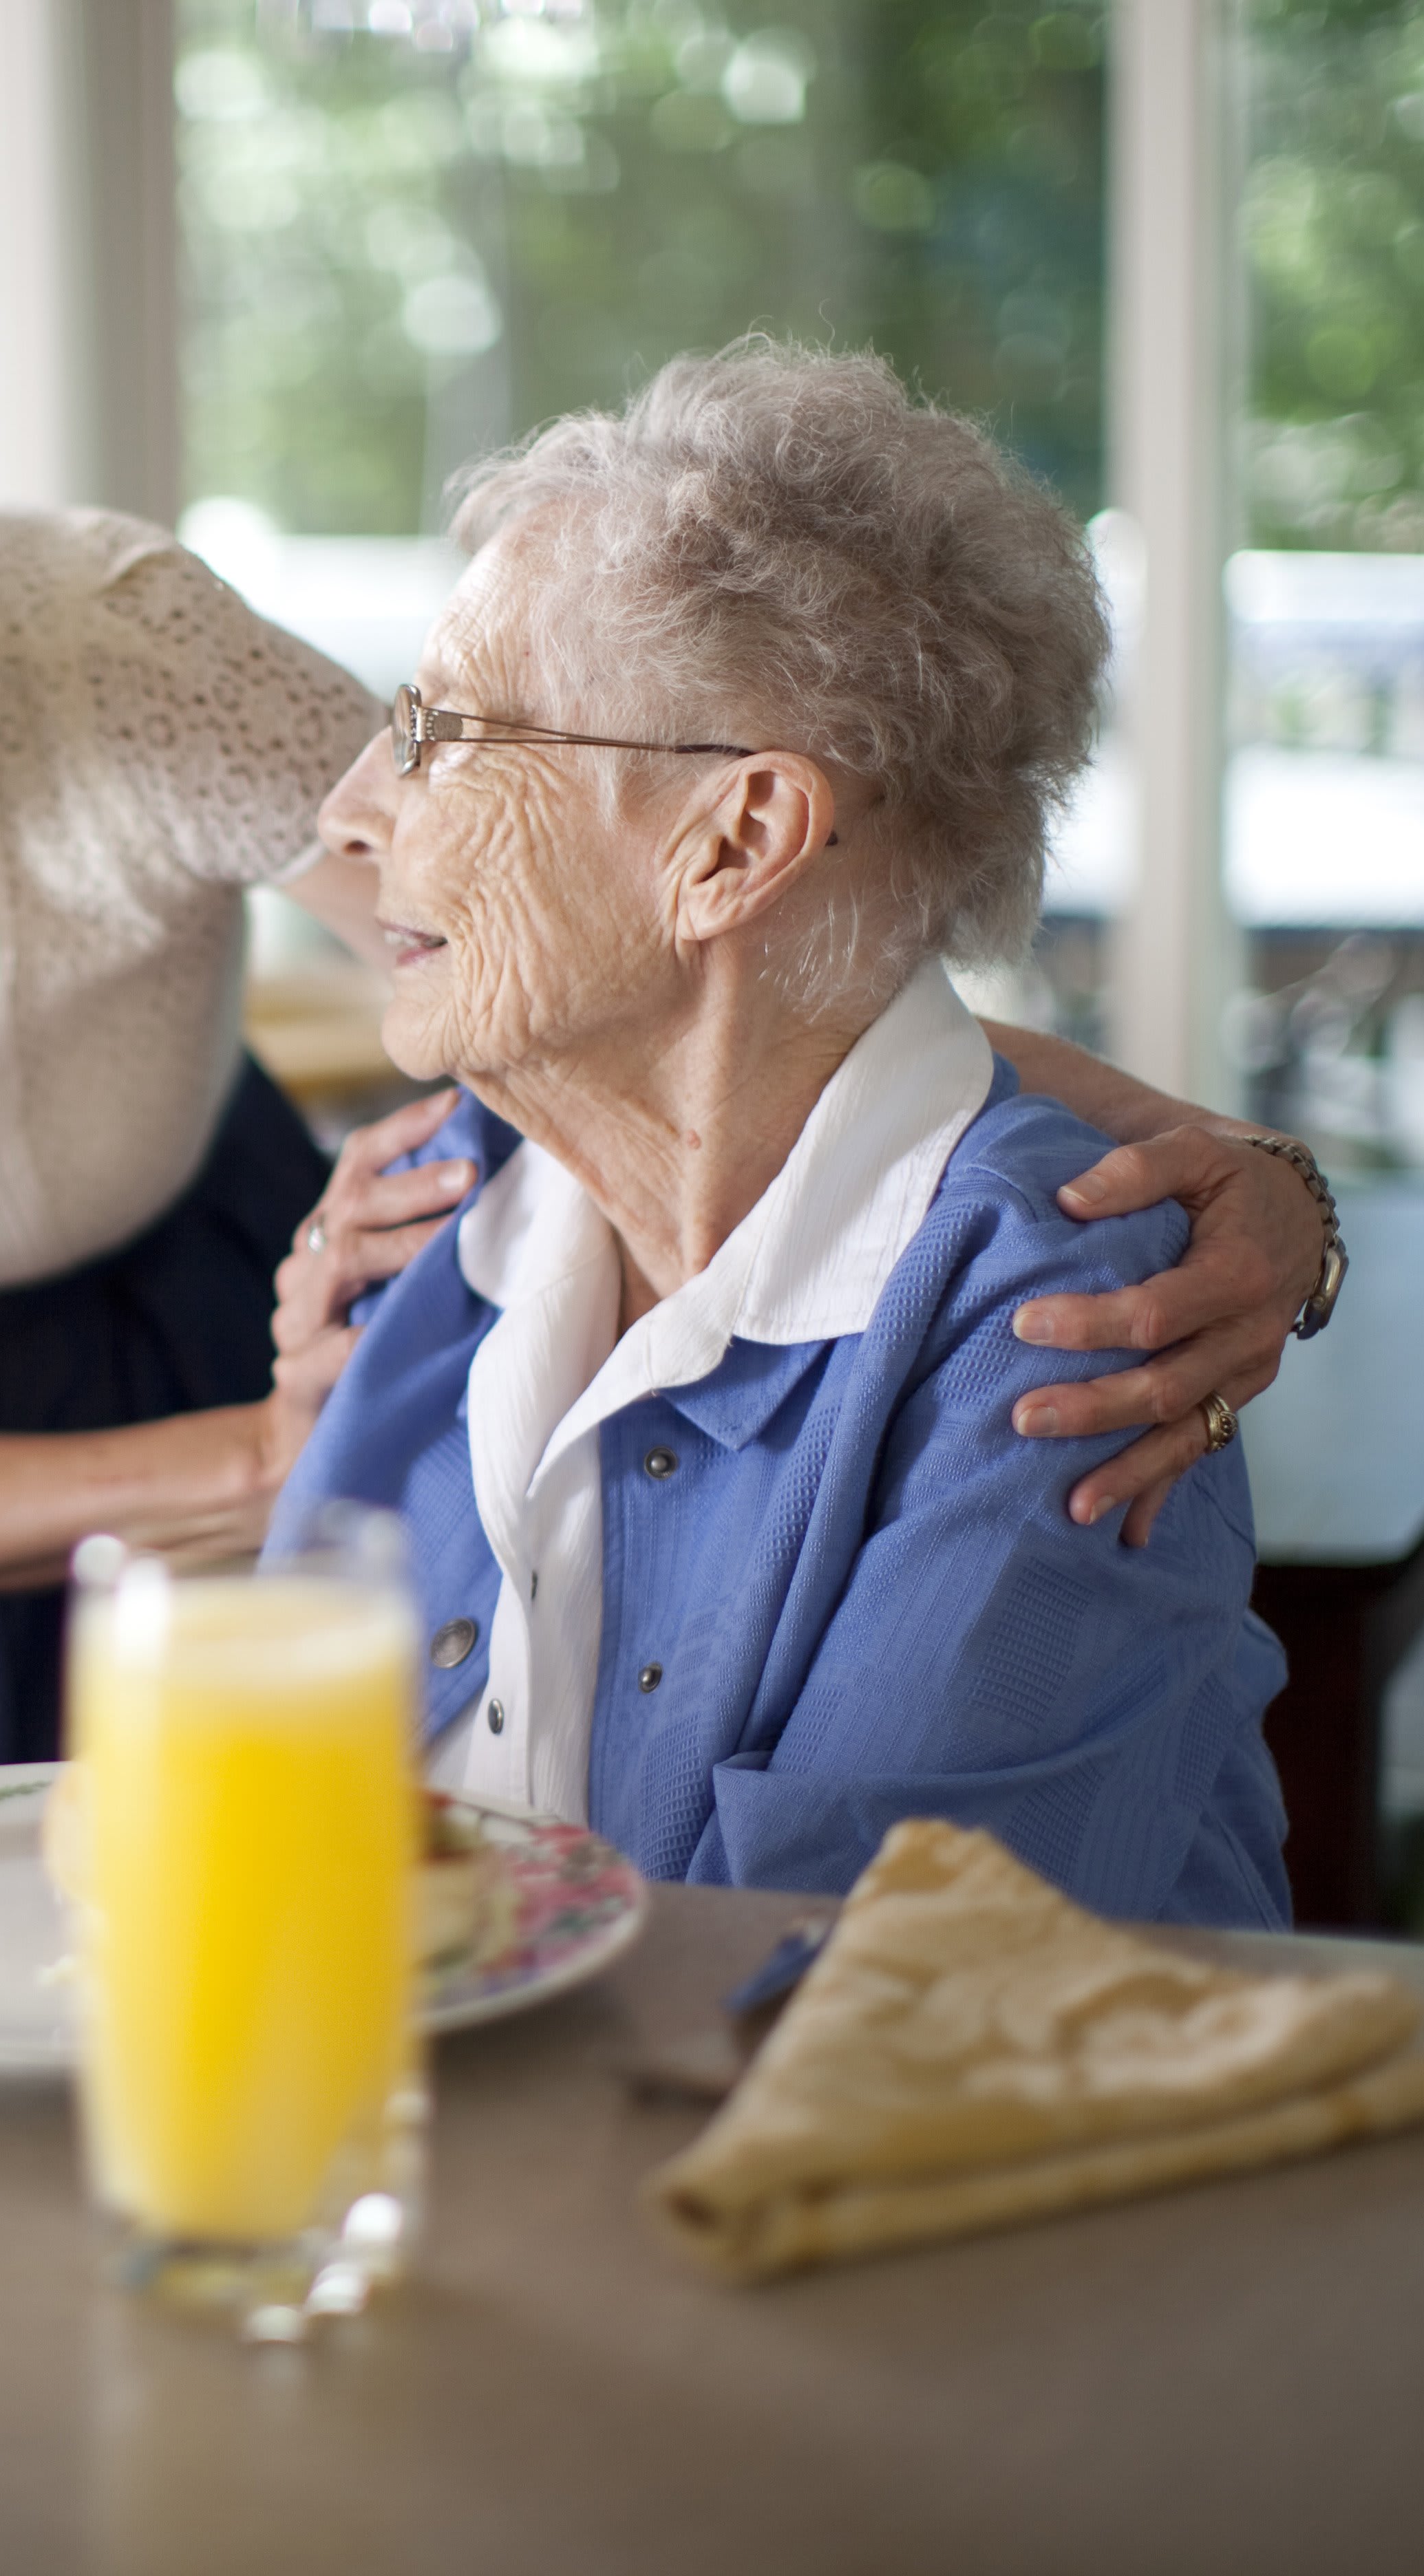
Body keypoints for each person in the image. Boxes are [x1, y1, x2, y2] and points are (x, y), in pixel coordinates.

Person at [0, 184, 1327, 1806]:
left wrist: (1222, 1168)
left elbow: (671, 940)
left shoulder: (105, 644)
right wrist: (289, 1458)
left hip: (198, 1315)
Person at [268, 345, 1292, 1926]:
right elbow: (263, 1844)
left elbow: (857, 2010)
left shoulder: (1070, 1340)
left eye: (445, 734)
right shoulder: (433, 1221)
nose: (348, 813)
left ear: (734, 843)